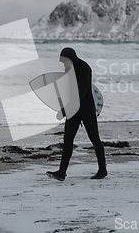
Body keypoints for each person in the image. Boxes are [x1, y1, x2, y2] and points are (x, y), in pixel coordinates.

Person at [46, 47, 107, 181]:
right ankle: (61, 172)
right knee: (67, 140)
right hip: (73, 110)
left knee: (95, 139)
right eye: (63, 63)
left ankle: (102, 170)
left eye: (66, 62)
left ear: (72, 58)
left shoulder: (85, 69)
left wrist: (65, 109)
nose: (64, 65)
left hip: (86, 110)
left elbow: (81, 92)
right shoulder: (68, 70)